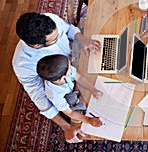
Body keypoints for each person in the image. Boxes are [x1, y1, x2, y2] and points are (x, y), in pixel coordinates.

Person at [12, 12, 101, 143]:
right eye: (55, 39)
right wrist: (65, 126)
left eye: (58, 32)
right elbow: (39, 96)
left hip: (75, 62)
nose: (60, 36)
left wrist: (82, 39)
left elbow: (69, 29)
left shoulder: (49, 20)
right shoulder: (22, 64)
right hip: (66, 86)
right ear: (37, 46)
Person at [37, 54, 103, 126]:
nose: (70, 66)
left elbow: (79, 78)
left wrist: (93, 90)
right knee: (73, 104)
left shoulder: (63, 70)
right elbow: (70, 113)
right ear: (61, 77)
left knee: (89, 79)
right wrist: (88, 120)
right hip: (68, 99)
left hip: (74, 88)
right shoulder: (54, 95)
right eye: (69, 67)